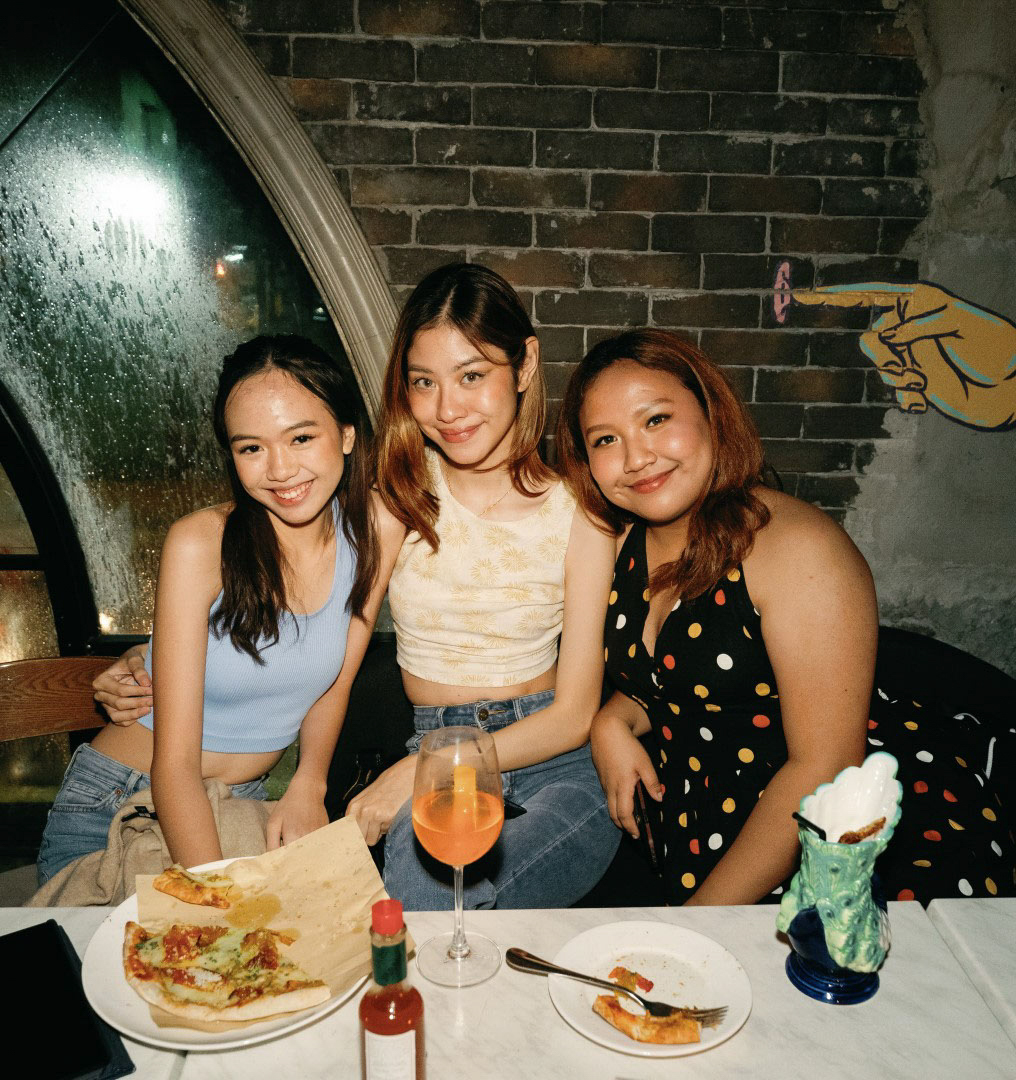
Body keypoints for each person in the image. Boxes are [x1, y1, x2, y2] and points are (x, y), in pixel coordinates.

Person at [37, 335, 386, 885]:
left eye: (301, 437)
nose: (280, 469)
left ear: (346, 434)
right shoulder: (200, 544)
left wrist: (308, 784)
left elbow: (335, 684)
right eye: (251, 448)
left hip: (242, 804)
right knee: (212, 937)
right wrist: (215, 903)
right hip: (123, 805)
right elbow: (174, 768)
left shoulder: (374, 533)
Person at [555, 328, 876, 906]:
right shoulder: (621, 545)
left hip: (815, 841)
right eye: (606, 439)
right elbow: (677, 681)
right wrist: (611, 723)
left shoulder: (797, 548)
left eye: (656, 420)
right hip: (687, 833)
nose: (636, 458)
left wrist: (698, 923)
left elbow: (826, 765)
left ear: (711, 414)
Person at [342, 262, 621, 910]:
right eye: (424, 382)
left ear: (524, 366)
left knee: (459, 914)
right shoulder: (398, 501)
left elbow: (574, 714)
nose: (447, 409)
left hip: (554, 758)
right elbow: (332, 651)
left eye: (471, 375)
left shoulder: (581, 512)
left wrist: (422, 771)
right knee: (430, 903)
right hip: (436, 747)